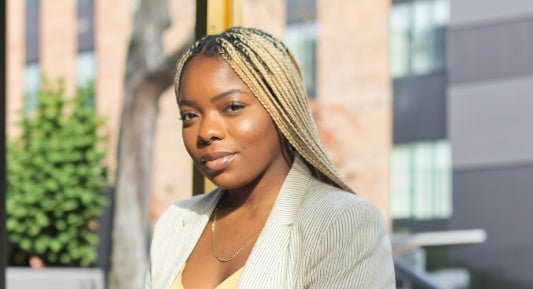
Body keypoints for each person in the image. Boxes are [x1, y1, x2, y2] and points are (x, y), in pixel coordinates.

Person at [145, 27, 395, 289]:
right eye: (189, 116)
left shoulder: (343, 222)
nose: (206, 132)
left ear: (281, 110)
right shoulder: (174, 223)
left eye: (232, 107)